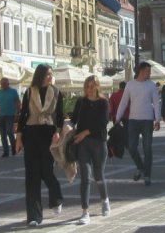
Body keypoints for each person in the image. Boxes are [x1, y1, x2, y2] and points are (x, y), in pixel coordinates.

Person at [16, 64, 64, 226]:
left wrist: (57, 131)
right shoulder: (29, 92)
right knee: (31, 175)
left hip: (49, 134)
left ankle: (56, 197)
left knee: (46, 171)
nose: (50, 77)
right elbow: (23, 115)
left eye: (51, 75)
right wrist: (18, 138)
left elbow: (60, 115)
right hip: (31, 133)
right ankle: (34, 216)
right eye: (48, 74)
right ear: (41, 75)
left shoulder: (56, 92)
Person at [70, 75, 111, 225]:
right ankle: (85, 212)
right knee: (85, 177)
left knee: (98, 175)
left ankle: (104, 199)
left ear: (97, 86)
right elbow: (73, 119)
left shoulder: (103, 103)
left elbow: (103, 122)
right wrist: (61, 129)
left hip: (99, 143)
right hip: (83, 145)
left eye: (92, 86)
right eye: (87, 86)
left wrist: (85, 132)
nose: (89, 89)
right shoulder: (81, 102)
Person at [116, 62, 160, 186]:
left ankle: (147, 175)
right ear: (141, 71)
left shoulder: (151, 85)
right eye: (148, 71)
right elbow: (124, 102)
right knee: (131, 147)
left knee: (147, 148)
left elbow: (156, 103)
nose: (149, 73)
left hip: (147, 120)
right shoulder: (130, 85)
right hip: (133, 120)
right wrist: (118, 117)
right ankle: (140, 167)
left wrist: (157, 120)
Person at [0, 78, 21, 157]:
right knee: (2, 134)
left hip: (10, 115)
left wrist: (18, 112)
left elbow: (17, 102)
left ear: (8, 84)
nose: (2, 85)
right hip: (1, 115)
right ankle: (6, 151)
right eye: (1, 84)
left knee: (9, 131)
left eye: (4, 84)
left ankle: (13, 147)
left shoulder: (13, 92)